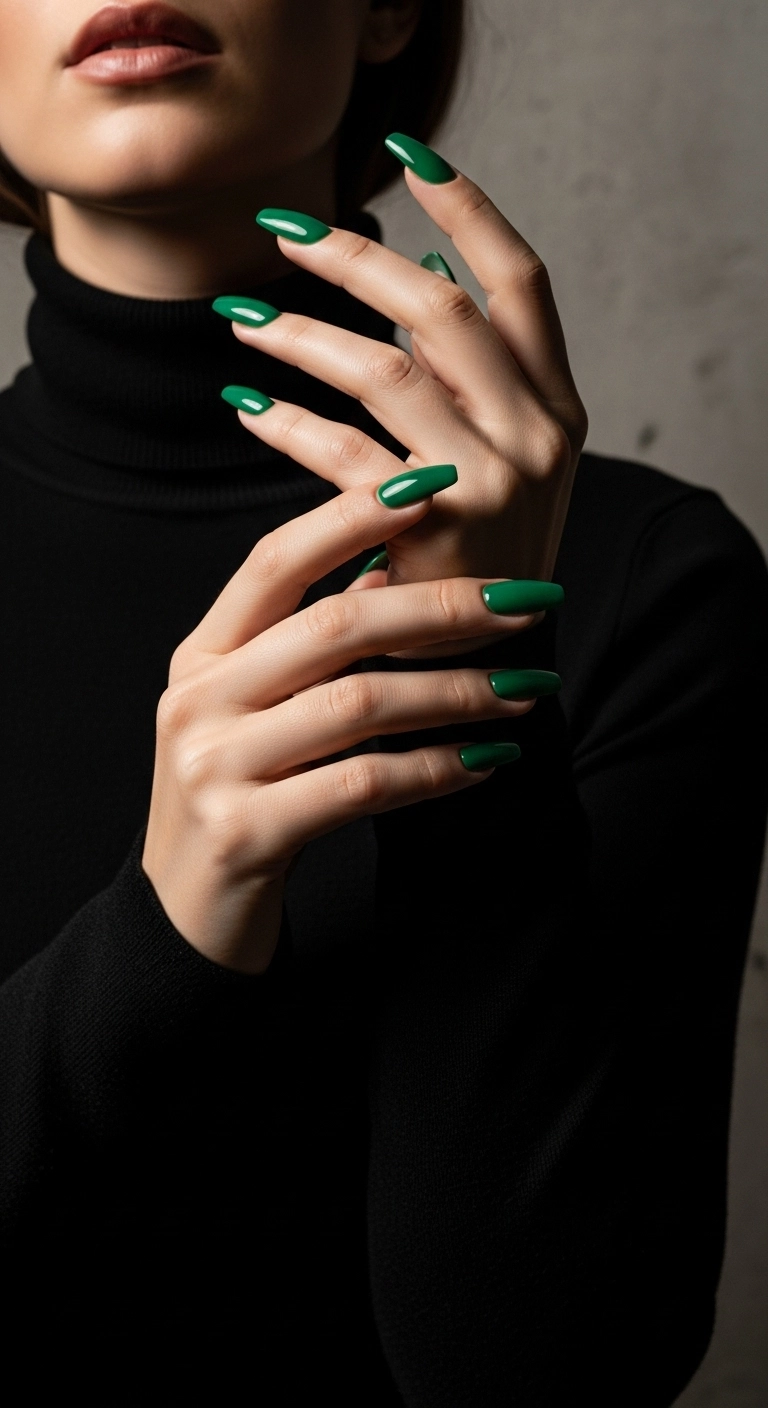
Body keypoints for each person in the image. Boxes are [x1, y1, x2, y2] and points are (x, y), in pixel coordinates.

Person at [0, 2, 766, 1402]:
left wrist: (464, 722)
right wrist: (158, 935)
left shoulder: (653, 581)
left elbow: (547, 1374)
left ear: (384, 8)